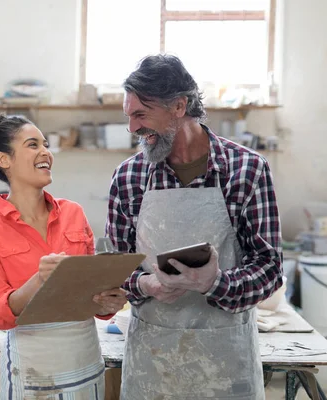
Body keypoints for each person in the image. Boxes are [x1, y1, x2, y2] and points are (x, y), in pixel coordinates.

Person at [106, 54, 283, 399]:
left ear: (179, 106)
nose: (132, 128)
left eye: (141, 115)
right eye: (128, 116)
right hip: (153, 360)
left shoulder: (246, 170)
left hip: (226, 357)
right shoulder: (128, 177)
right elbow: (114, 266)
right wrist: (146, 284)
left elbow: (270, 268)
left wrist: (217, 283)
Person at [0, 113, 127, 399]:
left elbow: (94, 299)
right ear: (5, 160)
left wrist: (108, 302)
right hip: (31, 369)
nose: (45, 152)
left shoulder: (73, 213)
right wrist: (39, 281)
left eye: (46, 144)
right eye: (32, 145)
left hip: (85, 360)